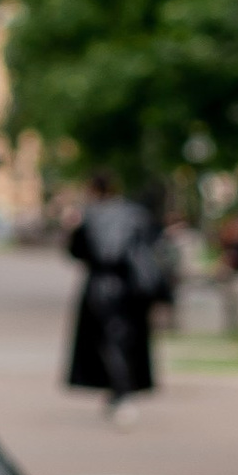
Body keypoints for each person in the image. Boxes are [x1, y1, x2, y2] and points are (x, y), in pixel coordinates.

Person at [67, 173, 172, 419]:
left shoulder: (90, 214)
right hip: (135, 287)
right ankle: (121, 391)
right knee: (127, 339)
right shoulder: (136, 213)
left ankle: (121, 393)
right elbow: (154, 246)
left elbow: (76, 250)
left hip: (102, 285)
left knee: (109, 341)